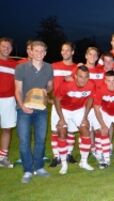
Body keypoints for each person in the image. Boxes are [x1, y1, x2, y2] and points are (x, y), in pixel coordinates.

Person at [14, 40, 53, 183]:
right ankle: (28, 170)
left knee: (40, 140)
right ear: (30, 51)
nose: (39, 53)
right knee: (24, 141)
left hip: (41, 109)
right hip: (24, 109)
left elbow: (49, 87)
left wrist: (46, 90)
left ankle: (39, 167)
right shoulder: (21, 68)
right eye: (36, 50)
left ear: (45, 53)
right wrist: (22, 105)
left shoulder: (49, 68)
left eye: (42, 51)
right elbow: (17, 90)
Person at [53, 66, 96, 174]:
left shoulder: (91, 85)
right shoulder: (67, 85)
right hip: (63, 109)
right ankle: (64, 164)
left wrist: (85, 117)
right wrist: (62, 118)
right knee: (62, 132)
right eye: (81, 77)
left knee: (85, 130)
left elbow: (90, 98)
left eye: (86, 77)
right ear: (75, 76)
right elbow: (56, 100)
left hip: (78, 109)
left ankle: (84, 162)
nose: (83, 80)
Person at [49, 42, 78, 168]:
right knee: (56, 130)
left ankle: (68, 154)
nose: (65, 52)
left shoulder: (77, 68)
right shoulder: (53, 66)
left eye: (68, 50)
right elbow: (47, 84)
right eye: (63, 50)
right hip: (58, 104)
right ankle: (57, 157)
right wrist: (47, 97)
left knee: (71, 131)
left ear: (72, 52)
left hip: (73, 104)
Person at [0, 37, 17, 168]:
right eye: (3, 46)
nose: (6, 49)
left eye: (8, 47)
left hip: (9, 100)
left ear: (11, 49)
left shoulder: (14, 65)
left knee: (7, 129)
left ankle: (2, 157)